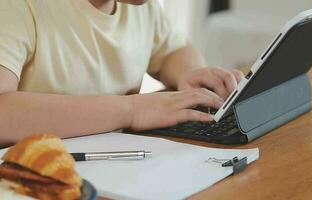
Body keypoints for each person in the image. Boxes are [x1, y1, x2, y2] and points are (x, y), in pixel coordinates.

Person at [0, 0, 244, 146]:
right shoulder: (17, 7)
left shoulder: (139, 8)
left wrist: (190, 72)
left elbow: (172, 49)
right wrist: (133, 110)